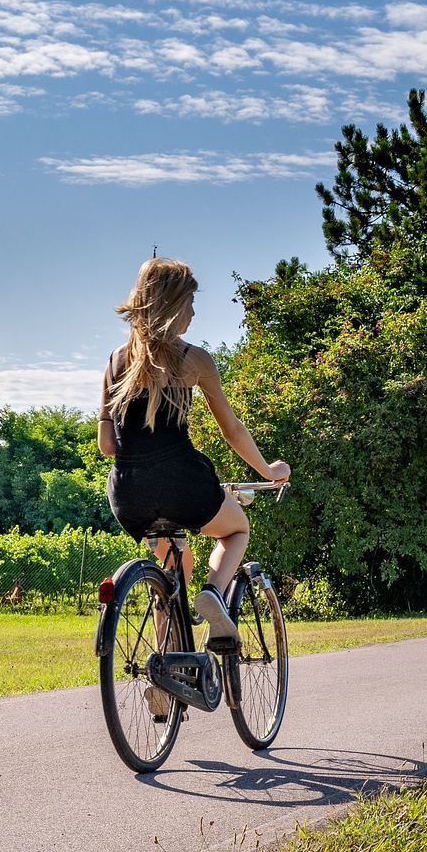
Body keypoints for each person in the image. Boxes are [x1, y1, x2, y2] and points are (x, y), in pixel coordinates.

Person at [98, 257, 290, 668]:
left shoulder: (115, 361)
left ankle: (166, 674)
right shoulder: (196, 360)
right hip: (184, 483)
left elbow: (107, 445)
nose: (194, 312)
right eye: (190, 302)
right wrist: (269, 471)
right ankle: (214, 593)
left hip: (129, 494)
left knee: (173, 568)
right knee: (236, 529)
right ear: (173, 304)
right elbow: (232, 431)